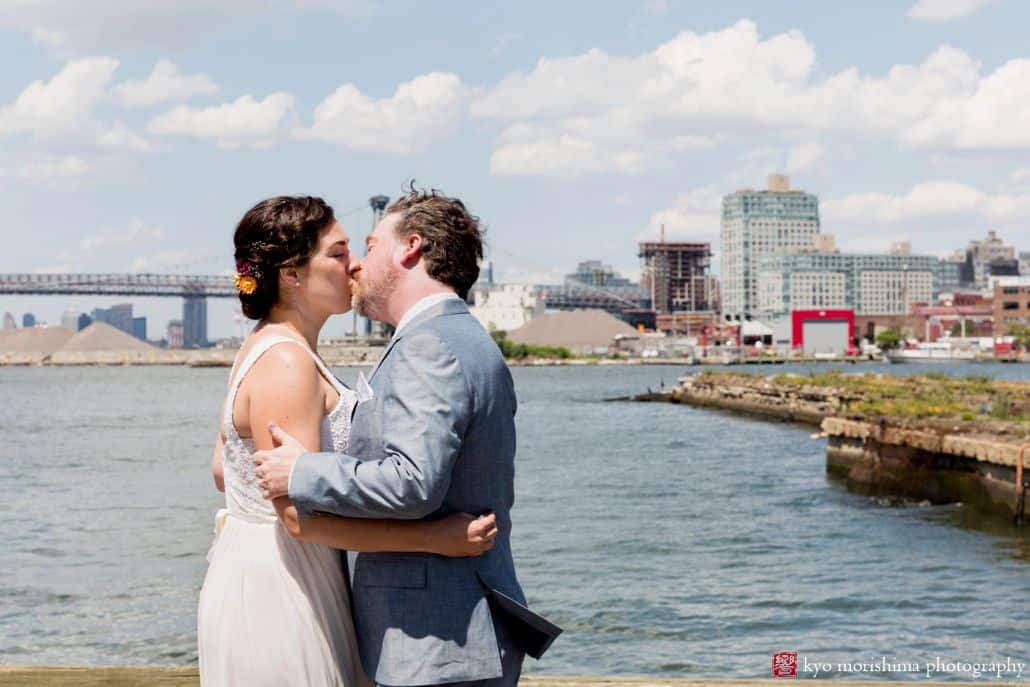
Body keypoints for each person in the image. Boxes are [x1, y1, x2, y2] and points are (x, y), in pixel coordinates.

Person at [254, 188, 560, 687]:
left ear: (410, 248)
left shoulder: (428, 346)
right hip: (449, 635)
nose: (357, 265)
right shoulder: (462, 338)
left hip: (433, 643)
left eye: (371, 246)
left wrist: (303, 470)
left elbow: (414, 483)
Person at [198, 196, 499, 687]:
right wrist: (435, 539)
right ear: (292, 274)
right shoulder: (287, 362)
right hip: (287, 586)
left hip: (273, 573)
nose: (354, 264)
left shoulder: (265, 346)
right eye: (337, 254)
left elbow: (221, 469)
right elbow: (298, 517)